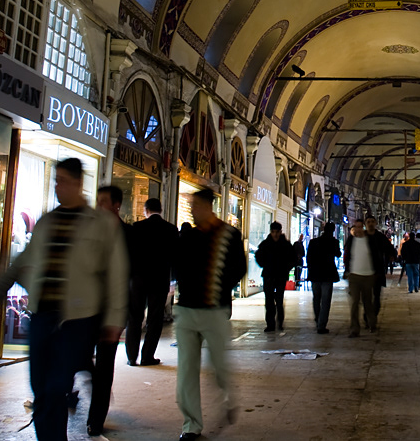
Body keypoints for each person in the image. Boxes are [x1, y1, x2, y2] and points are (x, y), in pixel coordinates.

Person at [0, 158, 128, 441]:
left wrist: (114, 320)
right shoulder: (47, 221)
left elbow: (116, 273)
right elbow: (24, 260)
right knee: (41, 389)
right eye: (56, 180)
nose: (58, 186)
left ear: (79, 183)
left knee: (56, 386)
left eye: (63, 180)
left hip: (77, 319)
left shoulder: (100, 224)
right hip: (42, 315)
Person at [173, 189, 247, 441]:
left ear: (207, 206)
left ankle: (227, 398)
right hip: (186, 311)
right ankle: (191, 425)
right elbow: (177, 266)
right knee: (186, 371)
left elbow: (239, 267)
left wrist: (219, 289)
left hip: (214, 311)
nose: (192, 210)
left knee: (219, 367)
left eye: (195, 205)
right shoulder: (188, 236)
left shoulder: (228, 234)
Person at [87, 185, 131, 437]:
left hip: (112, 312)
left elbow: (131, 274)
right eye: (98, 200)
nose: (99, 205)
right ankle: (74, 390)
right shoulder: (87, 231)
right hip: (86, 308)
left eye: (104, 201)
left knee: (104, 367)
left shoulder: (127, 235)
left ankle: (96, 419)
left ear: (116, 206)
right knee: (79, 357)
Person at [126, 197, 178, 367]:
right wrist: (173, 280)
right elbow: (174, 258)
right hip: (159, 280)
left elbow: (130, 255)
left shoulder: (137, 227)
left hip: (138, 279)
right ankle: (147, 356)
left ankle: (131, 357)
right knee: (155, 319)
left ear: (145, 210)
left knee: (134, 317)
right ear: (161, 210)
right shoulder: (170, 229)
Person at [343, 219, 382, 337]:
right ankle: (354, 329)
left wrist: (377, 271)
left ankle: (372, 323)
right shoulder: (351, 240)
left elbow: (376, 255)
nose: (358, 229)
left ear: (363, 228)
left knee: (367, 302)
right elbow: (347, 255)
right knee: (354, 302)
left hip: (368, 276)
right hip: (354, 275)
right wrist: (347, 270)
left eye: (360, 227)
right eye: (356, 227)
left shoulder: (369, 240)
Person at [255, 221, 294, 332]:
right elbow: (258, 256)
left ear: (280, 232)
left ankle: (279, 322)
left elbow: (292, 259)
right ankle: (271, 323)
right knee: (269, 301)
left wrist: (285, 269)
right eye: (273, 232)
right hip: (269, 275)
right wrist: (264, 265)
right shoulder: (266, 244)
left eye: (277, 232)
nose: (275, 234)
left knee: (279, 301)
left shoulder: (285, 245)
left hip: (279, 276)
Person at [306, 222, 341, 333]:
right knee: (325, 300)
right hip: (327, 274)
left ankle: (318, 319)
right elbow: (338, 254)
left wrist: (311, 270)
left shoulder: (313, 242)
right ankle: (322, 325)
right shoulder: (334, 242)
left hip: (316, 274)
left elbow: (309, 258)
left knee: (317, 298)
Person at [363, 215, 394, 325]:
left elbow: (390, 249)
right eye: (368, 222)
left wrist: (391, 256)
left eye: (372, 221)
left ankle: (372, 316)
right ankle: (367, 316)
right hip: (364, 271)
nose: (370, 224)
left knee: (376, 296)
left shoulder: (380, 237)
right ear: (365, 224)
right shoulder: (361, 237)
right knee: (366, 296)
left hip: (377, 271)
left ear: (375, 223)